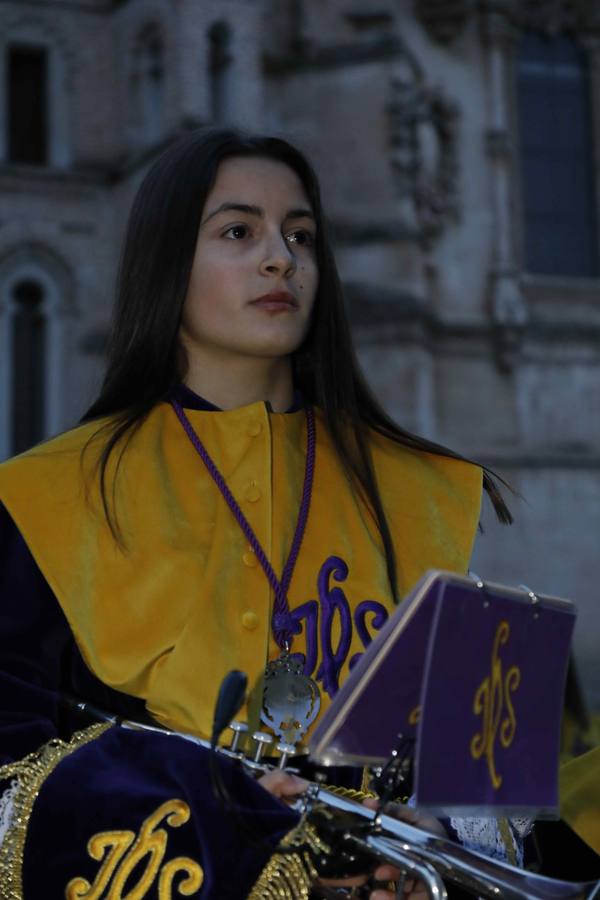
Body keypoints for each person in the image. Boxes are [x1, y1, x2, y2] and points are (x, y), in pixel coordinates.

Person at [0, 129, 513, 899]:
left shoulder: (425, 490)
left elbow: (490, 768)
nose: (282, 258)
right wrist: (230, 828)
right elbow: (10, 766)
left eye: (300, 235)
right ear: (168, 262)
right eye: (239, 231)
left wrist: (429, 836)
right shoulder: (47, 494)